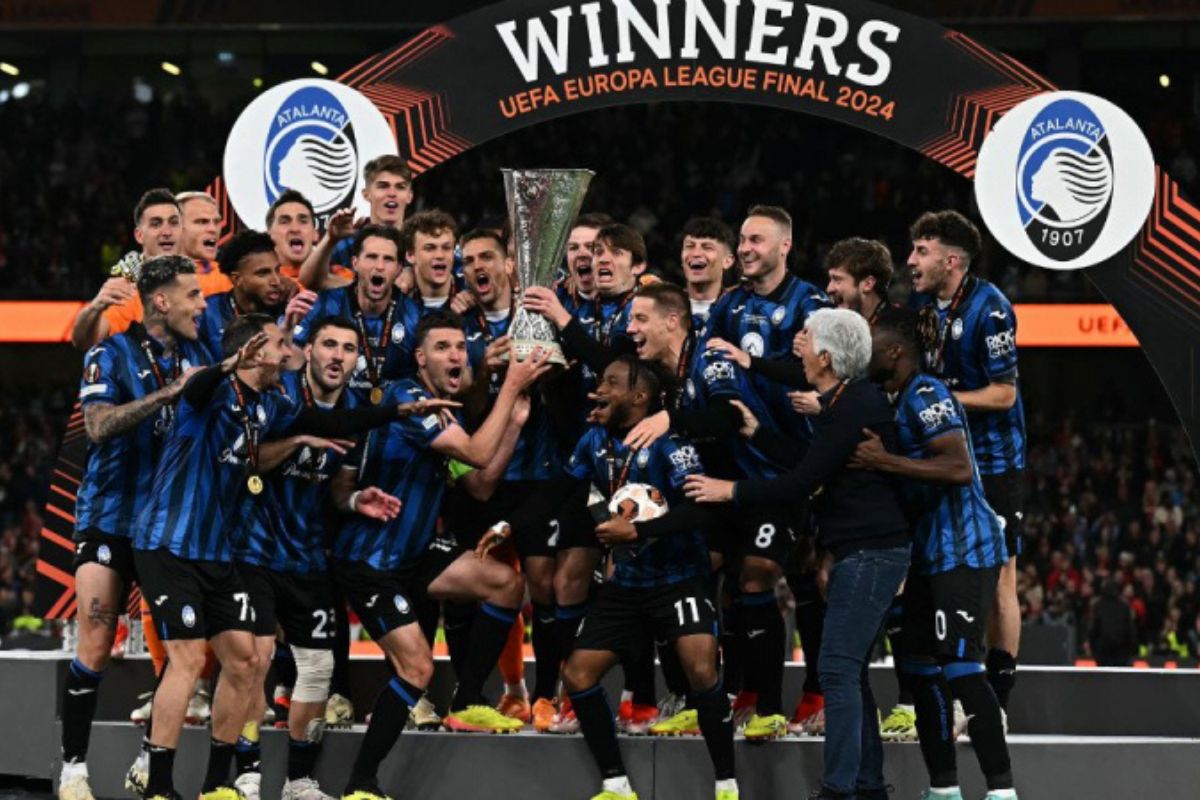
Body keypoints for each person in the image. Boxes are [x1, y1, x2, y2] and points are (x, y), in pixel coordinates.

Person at [131, 314, 449, 800]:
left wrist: (399, 413)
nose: (289, 351)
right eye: (282, 344)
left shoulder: (270, 406)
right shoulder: (211, 392)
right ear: (256, 350)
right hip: (169, 543)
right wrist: (226, 366)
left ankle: (220, 784)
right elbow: (194, 396)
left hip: (218, 553)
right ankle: (157, 784)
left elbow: (331, 420)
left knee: (246, 663)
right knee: (193, 659)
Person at [685, 308, 908, 800]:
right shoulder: (848, 401)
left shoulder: (852, 406)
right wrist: (756, 433)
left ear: (825, 357)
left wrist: (731, 492)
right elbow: (809, 463)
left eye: (804, 338)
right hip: (863, 550)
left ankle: (838, 790)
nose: (796, 346)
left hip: (872, 552)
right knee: (848, 671)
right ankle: (866, 787)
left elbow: (803, 481)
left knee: (835, 668)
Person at [329, 311, 550, 800]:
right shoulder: (407, 398)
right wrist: (511, 385)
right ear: (420, 356)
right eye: (443, 347)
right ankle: (361, 783)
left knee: (506, 584)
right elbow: (473, 453)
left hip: (413, 552)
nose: (455, 355)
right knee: (417, 669)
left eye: (459, 347)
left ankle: (468, 698)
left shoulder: (444, 411)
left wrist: (512, 425)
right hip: (371, 561)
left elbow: (479, 483)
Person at [57, 256, 210, 800]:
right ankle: (73, 767)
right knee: (96, 643)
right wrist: (171, 395)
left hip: (169, 527)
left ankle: (152, 760)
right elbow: (97, 427)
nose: (203, 304)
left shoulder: (197, 352)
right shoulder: (111, 352)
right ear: (162, 301)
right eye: (192, 295)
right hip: (109, 516)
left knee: (184, 652)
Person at [851, 307, 1016, 800]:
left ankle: (1002, 791)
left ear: (896, 351)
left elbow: (959, 467)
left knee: (962, 668)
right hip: (928, 555)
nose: (864, 354)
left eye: (872, 344)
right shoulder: (894, 399)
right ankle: (943, 790)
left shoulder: (926, 393)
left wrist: (885, 461)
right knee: (920, 671)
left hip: (964, 547)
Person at [554, 356, 737, 800]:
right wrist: (606, 525)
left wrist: (637, 531)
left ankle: (726, 784)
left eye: (612, 382)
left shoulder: (673, 446)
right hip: (628, 584)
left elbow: (700, 508)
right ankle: (616, 785)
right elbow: (573, 493)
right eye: (601, 379)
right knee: (577, 675)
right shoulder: (593, 440)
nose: (600, 388)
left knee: (700, 669)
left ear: (640, 397)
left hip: (680, 578)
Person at [908, 210, 1026, 714]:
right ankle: (939, 690)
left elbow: (1003, 394)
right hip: (944, 455)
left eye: (922, 251)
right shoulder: (921, 308)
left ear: (951, 260)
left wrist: (944, 397)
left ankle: (995, 698)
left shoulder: (990, 307)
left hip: (995, 461)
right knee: (934, 566)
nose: (911, 260)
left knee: (1000, 575)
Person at [292, 225, 424, 403]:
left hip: (393, 417)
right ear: (355, 263)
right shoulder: (326, 305)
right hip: (336, 414)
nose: (379, 267)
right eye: (371, 257)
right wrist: (286, 328)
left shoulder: (413, 315)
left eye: (388, 259)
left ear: (400, 268)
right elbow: (293, 360)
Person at [71, 189, 184, 351]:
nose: (167, 232)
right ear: (139, 235)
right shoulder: (126, 292)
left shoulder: (205, 279)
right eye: (156, 224)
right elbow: (83, 342)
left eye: (174, 223)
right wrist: (95, 306)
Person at [197, 231, 289, 361]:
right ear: (237, 279)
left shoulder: (290, 310)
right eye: (263, 273)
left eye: (277, 270)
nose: (276, 281)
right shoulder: (207, 314)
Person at [678, 217, 737, 336]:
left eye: (707, 247)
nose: (696, 253)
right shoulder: (665, 307)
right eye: (690, 246)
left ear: (727, 261)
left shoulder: (739, 311)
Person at [268, 190, 321, 283]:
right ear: (269, 236)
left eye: (303, 221)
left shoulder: (341, 277)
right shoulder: (248, 282)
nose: (295, 229)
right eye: (285, 222)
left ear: (315, 234)